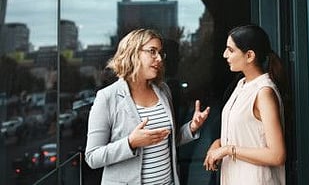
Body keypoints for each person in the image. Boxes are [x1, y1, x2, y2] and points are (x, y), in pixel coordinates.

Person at [85, 28, 210, 185]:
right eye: (152, 51)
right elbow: (92, 157)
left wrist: (191, 127)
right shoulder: (107, 97)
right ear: (133, 53)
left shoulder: (163, 90)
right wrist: (130, 143)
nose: (159, 58)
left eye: (160, 53)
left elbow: (167, 140)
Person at [203, 24, 286, 185]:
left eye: (231, 50)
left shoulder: (264, 92)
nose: (225, 55)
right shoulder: (241, 84)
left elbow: (277, 155)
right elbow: (247, 133)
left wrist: (228, 150)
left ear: (249, 56)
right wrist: (219, 143)